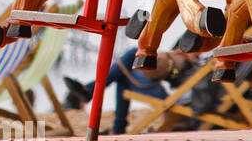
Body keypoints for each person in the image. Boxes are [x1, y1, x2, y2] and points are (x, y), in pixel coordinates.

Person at [63, 47, 197, 135]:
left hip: (159, 89)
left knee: (130, 59)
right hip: (154, 80)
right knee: (124, 76)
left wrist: (190, 58)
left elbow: (180, 79)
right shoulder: (193, 48)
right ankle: (117, 127)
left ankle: (91, 90)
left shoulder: (196, 63)